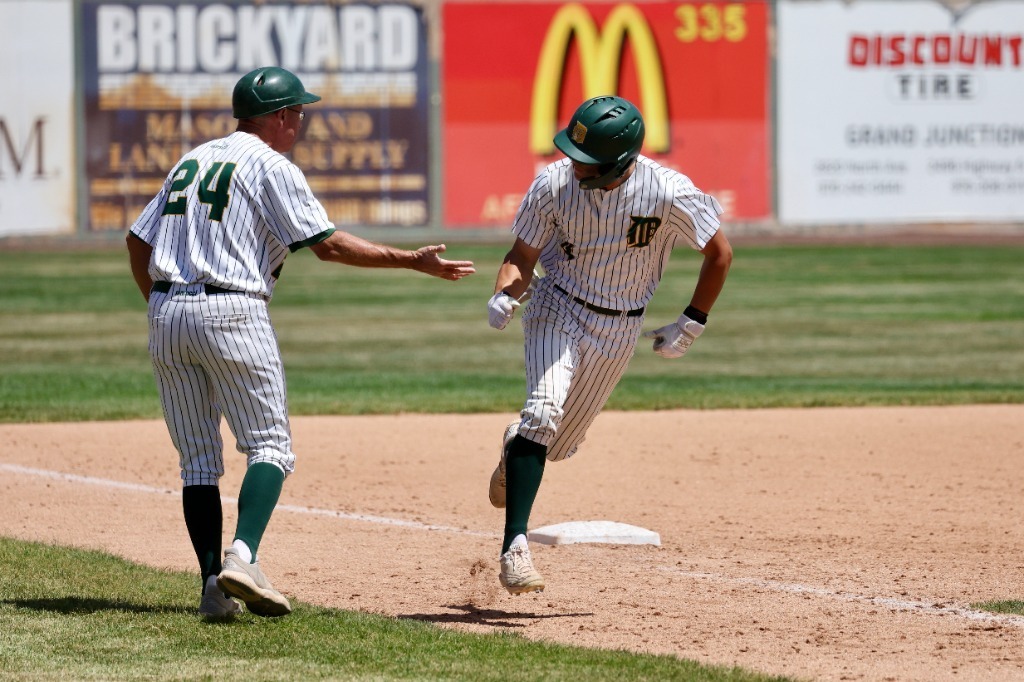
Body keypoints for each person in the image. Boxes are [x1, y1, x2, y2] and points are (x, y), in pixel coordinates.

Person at [126, 66, 475, 619]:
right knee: (270, 447)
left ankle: (212, 590)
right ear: (281, 117)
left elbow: (136, 240)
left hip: (166, 312)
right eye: (299, 112)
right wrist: (412, 261)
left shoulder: (191, 159)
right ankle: (242, 557)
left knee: (197, 461)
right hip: (232, 309)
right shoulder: (271, 165)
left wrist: (158, 303)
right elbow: (329, 246)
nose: (303, 121)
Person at [485, 95, 732, 595]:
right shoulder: (553, 184)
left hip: (619, 329)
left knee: (557, 446)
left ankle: (518, 448)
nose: (574, 165)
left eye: (587, 160)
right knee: (543, 409)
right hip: (557, 304)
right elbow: (521, 254)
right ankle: (514, 548)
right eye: (572, 153)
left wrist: (693, 320)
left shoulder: (667, 192)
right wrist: (505, 292)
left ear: (620, 162)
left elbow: (720, 253)